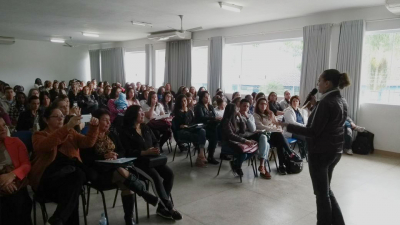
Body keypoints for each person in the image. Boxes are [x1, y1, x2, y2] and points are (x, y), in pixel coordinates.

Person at [280, 69, 350, 225]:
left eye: (319, 80)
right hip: (335, 151)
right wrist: (315, 105)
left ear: (327, 83)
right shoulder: (341, 100)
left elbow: (312, 131)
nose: (317, 83)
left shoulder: (326, 102)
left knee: (321, 194)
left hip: (321, 152)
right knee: (326, 190)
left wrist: (287, 125)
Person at [80, 109, 158, 225]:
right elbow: (87, 160)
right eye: (104, 120)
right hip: (100, 174)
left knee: (126, 184)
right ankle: (144, 194)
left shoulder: (111, 134)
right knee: (122, 173)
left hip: (117, 170)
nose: (108, 123)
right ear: (96, 121)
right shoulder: (88, 138)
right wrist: (104, 156)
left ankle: (129, 218)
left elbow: (122, 151)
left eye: (109, 120)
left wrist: (115, 155)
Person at [29, 105, 99, 225]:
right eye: (56, 116)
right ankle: (57, 220)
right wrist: (67, 127)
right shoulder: (39, 135)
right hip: (47, 181)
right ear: (46, 120)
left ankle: (57, 220)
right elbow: (47, 144)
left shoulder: (71, 132)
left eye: (62, 116)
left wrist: (93, 128)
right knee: (76, 181)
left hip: (68, 180)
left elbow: (87, 143)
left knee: (74, 182)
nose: (60, 119)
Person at [119, 105, 182, 220]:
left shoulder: (145, 128)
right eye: (140, 112)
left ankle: (161, 207)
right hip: (138, 162)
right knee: (156, 178)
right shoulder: (125, 132)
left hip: (153, 159)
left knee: (169, 174)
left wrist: (156, 148)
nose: (143, 114)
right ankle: (169, 207)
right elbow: (127, 152)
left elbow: (155, 141)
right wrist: (144, 152)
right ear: (133, 115)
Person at [254, 97, 301, 175]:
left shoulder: (269, 113)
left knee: (280, 143)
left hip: (274, 135)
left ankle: (281, 166)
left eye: (265, 104)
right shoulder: (256, 115)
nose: (263, 105)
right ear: (258, 105)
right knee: (279, 136)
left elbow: (277, 124)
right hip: (264, 137)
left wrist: (279, 128)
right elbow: (261, 127)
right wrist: (275, 129)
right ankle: (290, 153)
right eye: (261, 104)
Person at [0, 117, 32, 225]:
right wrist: (3, 182)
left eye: (4, 125)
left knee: (19, 202)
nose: (2, 129)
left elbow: (26, 164)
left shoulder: (16, 142)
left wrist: (11, 175)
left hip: (16, 181)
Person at [237, 99, 271, 179]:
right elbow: (241, 132)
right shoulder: (236, 115)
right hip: (243, 137)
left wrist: (247, 117)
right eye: (244, 106)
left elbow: (252, 129)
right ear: (240, 106)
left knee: (264, 137)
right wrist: (242, 117)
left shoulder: (250, 116)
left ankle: (262, 165)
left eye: (248, 106)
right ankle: (263, 167)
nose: (246, 108)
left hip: (251, 135)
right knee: (267, 144)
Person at [221, 103, 256, 176]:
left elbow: (242, 131)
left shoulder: (234, 120)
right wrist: (245, 141)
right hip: (227, 143)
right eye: (236, 109)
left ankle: (236, 163)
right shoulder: (226, 121)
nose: (238, 111)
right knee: (243, 152)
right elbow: (231, 135)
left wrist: (240, 118)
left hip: (235, 142)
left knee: (253, 149)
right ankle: (238, 166)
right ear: (232, 111)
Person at [173, 95, 208, 167]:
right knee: (198, 137)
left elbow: (193, 121)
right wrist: (185, 112)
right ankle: (201, 157)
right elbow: (179, 125)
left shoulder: (190, 111)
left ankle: (201, 155)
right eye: (182, 101)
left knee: (202, 131)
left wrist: (193, 125)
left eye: (185, 101)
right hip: (181, 132)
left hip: (190, 129)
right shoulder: (177, 112)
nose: (183, 102)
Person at [194, 91, 219, 164]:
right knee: (214, 135)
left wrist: (216, 118)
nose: (207, 98)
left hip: (210, 126)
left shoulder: (210, 106)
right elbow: (202, 118)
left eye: (208, 96)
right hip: (202, 127)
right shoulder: (198, 106)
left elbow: (214, 116)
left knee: (217, 131)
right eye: (205, 97)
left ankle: (211, 155)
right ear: (201, 98)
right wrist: (213, 118)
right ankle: (210, 156)